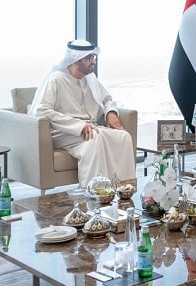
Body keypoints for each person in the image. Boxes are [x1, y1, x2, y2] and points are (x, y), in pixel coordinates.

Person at [30, 40, 136, 188]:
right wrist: (79, 126)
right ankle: (94, 191)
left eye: (94, 58)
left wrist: (111, 113)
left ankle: (123, 188)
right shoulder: (57, 79)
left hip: (91, 128)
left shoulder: (91, 79)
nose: (93, 62)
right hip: (63, 130)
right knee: (95, 137)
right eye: (89, 58)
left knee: (124, 137)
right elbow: (41, 111)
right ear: (76, 60)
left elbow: (107, 99)